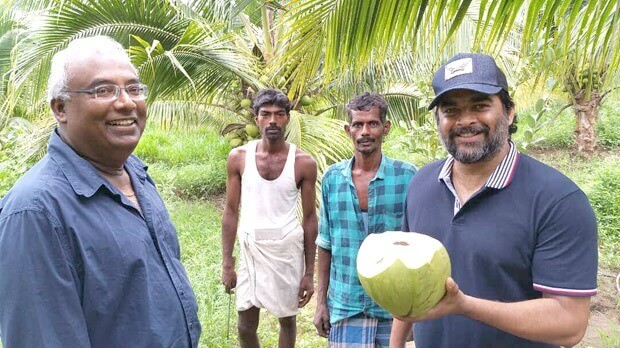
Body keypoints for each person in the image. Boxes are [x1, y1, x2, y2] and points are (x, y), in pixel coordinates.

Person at [0, 36, 201, 347]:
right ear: (60, 108)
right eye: (103, 90)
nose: (126, 102)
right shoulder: (35, 211)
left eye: (134, 89)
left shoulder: (136, 173)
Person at [390, 53, 598, 347]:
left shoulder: (558, 200)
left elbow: (569, 323)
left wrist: (464, 305)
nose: (466, 120)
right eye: (451, 110)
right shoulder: (422, 184)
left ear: (509, 111)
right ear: (438, 120)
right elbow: (408, 281)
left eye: (480, 105)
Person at [314, 92, 417, 347]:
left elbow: (417, 246)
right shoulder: (332, 179)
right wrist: (321, 304)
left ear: (386, 128)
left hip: (392, 306)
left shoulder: (407, 177)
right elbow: (326, 244)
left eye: (372, 123)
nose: (365, 132)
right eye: (358, 124)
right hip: (345, 305)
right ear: (348, 130)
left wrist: (415, 311)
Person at [221, 88, 318, 347]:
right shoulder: (238, 158)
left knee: (286, 320)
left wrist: (309, 273)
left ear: (287, 118)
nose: (272, 121)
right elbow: (231, 211)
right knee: (245, 326)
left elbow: (310, 218)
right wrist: (227, 263)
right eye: (266, 115)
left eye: (278, 115)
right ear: (256, 119)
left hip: (286, 250)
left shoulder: (303, 162)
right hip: (251, 248)